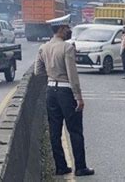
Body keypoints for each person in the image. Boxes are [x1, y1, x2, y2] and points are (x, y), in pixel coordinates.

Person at [34, 15, 94, 177]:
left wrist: (52, 75)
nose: (69, 30)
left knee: (55, 131)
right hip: (66, 92)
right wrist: (79, 98)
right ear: (61, 29)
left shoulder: (43, 47)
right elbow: (72, 76)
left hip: (51, 91)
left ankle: (61, 166)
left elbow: (38, 72)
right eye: (67, 28)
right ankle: (80, 167)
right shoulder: (67, 48)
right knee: (74, 130)